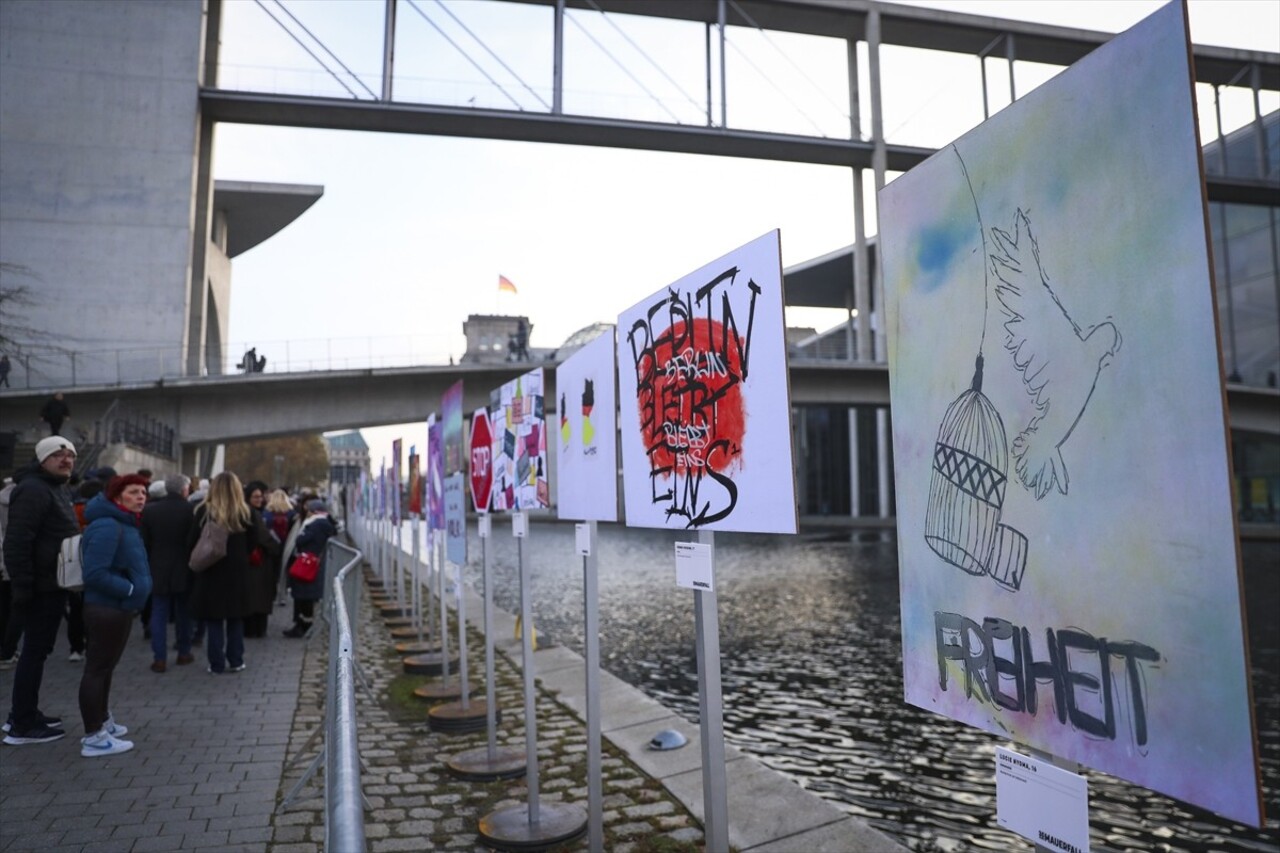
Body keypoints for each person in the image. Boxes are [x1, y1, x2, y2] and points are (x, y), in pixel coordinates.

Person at [1, 436, 80, 744]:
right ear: (43, 459)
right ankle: (22, 724)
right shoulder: (34, 490)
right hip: (40, 587)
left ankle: (25, 712)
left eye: (71, 455)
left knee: (38, 651)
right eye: (59, 455)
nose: (67, 460)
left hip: (51, 583)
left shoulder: (54, 487)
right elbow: (18, 541)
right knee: (33, 652)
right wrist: (23, 586)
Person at [77, 475, 151, 756]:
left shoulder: (125, 522)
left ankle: (103, 720)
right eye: (133, 492)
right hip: (106, 608)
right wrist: (130, 589)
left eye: (143, 492)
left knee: (106, 667)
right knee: (97, 668)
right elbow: (95, 573)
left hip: (118, 607)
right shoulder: (109, 525)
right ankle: (94, 736)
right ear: (117, 497)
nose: (141, 497)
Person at [187, 472, 253, 673]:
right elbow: (254, 540)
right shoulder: (244, 513)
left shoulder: (204, 512)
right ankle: (236, 660)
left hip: (211, 571)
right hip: (237, 572)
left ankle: (215, 663)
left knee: (213, 619)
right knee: (235, 618)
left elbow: (191, 541)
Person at [141, 474, 195, 672]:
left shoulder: (150, 511)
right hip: (185, 567)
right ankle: (183, 652)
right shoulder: (191, 511)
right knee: (184, 613)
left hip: (158, 567)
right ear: (184, 490)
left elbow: (145, 542)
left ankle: (159, 658)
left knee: (159, 612)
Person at [283, 498, 335, 638]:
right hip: (312, 565)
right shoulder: (324, 524)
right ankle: (302, 624)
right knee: (305, 597)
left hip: (307, 565)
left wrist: (301, 537)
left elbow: (301, 540)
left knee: (304, 597)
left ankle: (304, 625)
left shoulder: (315, 524)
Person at [241, 481, 277, 638]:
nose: (259, 499)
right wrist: (275, 548)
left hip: (254, 561)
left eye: (260, 497)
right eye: (255, 497)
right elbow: (263, 537)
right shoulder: (253, 514)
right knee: (257, 597)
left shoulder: (250, 512)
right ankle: (256, 629)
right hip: (257, 562)